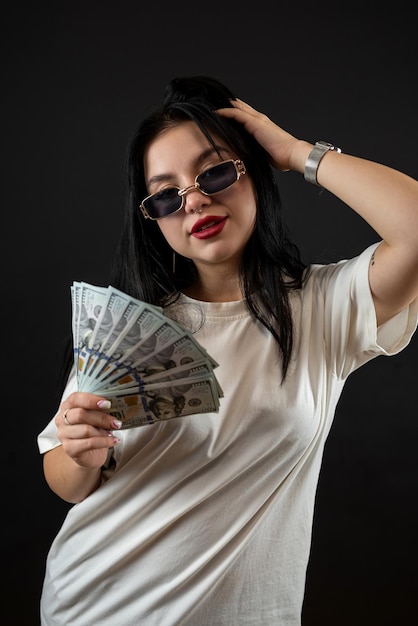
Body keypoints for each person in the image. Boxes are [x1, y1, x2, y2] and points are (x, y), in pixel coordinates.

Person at [37, 75, 418, 625]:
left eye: (214, 171)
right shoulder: (129, 330)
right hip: (96, 606)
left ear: (254, 172)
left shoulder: (322, 308)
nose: (195, 200)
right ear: (154, 217)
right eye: (167, 194)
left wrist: (296, 152)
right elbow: (67, 483)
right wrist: (77, 453)